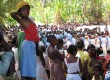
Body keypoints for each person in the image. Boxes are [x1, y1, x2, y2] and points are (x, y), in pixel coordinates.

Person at [11, 1, 39, 80]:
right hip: (28, 44)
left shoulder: (29, 20)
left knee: (30, 67)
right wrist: (18, 13)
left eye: (28, 9)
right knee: (29, 69)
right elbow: (12, 14)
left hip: (31, 44)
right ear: (20, 12)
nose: (27, 11)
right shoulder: (22, 21)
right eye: (24, 9)